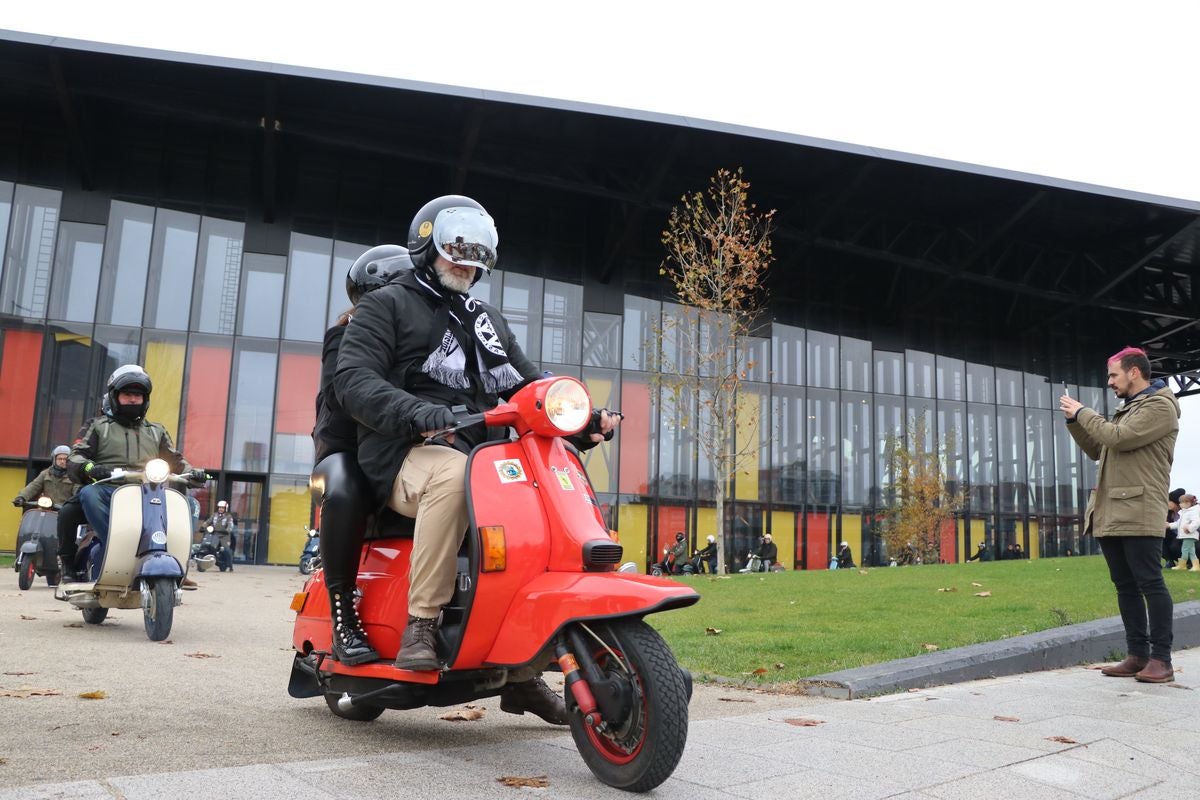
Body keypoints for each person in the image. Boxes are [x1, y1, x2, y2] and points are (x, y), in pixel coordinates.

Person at [333, 195, 620, 723]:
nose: (467, 265)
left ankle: (523, 666)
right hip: (405, 453)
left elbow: (528, 385)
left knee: (538, 489)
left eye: (477, 255)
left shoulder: (484, 318)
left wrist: (581, 420)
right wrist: (418, 413)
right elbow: (353, 382)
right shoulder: (386, 305)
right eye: (457, 252)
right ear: (428, 245)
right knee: (457, 478)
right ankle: (422, 622)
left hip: (485, 449)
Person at [311, 243, 412, 666]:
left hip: (400, 441)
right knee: (345, 487)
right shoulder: (346, 332)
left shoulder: (417, 332)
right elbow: (343, 394)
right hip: (345, 444)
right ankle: (343, 616)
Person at [1061, 346, 1180, 683]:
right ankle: (1137, 654)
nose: (1110, 381)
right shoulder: (1129, 409)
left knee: (1150, 583)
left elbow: (1120, 438)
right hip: (1112, 509)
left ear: (1133, 372)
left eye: (1113, 375)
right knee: (1125, 586)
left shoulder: (1159, 406)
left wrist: (1083, 412)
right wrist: (1075, 422)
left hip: (1140, 507)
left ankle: (1162, 659)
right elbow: (1101, 447)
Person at [60, 365, 205, 582]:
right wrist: (91, 468)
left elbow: (176, 461)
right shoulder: (98, 426)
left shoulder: (156, 431)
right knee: (74, 506)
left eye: (137, 395)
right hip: (107, 488)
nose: (132, 399)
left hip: (149, 491)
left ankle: (180, 561)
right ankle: (71, 566)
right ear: (114, 397)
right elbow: (76, 456)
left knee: (190, 506)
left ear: (145, 400)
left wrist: (194, 473)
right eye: (127, 394)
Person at [1167, 493, 1199, 571]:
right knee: (1191, 550)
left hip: (1190, 535)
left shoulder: (1193, 512)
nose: (1180, 504)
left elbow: (1197, 521)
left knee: (1185, 549)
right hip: (1186, 535)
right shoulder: (1184, 512)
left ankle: (1183, 565)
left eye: (1181, 502)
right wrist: (1169, 525)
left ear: (1188, 503)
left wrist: (1189, 528)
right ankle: (1195, 565)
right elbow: (1178, 523)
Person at [205, 500, 237, 571]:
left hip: (224, 536)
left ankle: (230, 565)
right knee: (206, 543)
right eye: (219, 507)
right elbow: (208, 521)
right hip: (214, 534)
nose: (220, 509)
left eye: (222, 508)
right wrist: (203, 526)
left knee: (226, 549)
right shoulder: (214, 515)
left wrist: (227, 530)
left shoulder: (228, 517)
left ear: (225, 509)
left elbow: (230, 525)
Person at [1164, 488, 1185, 568]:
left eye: (1169, 501)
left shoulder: (1184, 513)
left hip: (1183, 537)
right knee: (1160, 539)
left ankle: (1190, 562)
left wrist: (1169, 525)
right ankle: (1169, 561)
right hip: (1172, 538)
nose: (1168, 503)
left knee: (1175, 545)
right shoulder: (1167, 513)